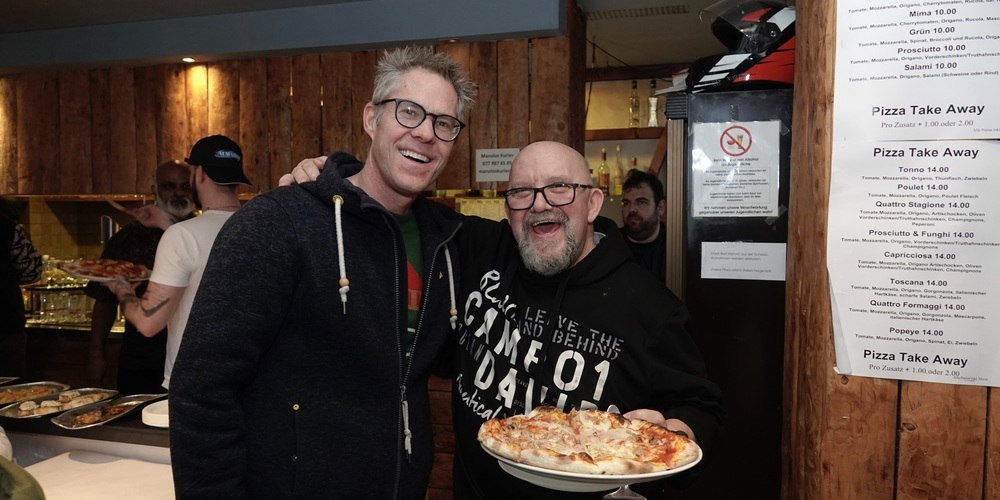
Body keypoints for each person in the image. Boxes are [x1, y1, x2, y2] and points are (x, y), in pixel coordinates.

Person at [284, 142, 726, 499]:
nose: (539, 205)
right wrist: (336, 176)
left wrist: (675, 431)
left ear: (593, 203)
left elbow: (701, 405)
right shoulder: (483, 248)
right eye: (521, 192)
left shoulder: (651, 306)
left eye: (559, 188)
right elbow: (390, 202)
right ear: (508, 206)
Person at [168, 46, 476, 499]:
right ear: (372, 119)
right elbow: (201, 388)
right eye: (409, 112)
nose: (426, 133)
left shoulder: (446, 239)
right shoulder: (279, 222)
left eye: (444, 123)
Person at [104, 135, 250, 391]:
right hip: (252, 379)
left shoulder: (182, 236)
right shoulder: (263, 229)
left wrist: (122, 289)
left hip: (197, 383)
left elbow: (148, 323)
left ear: (198, 173)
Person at [86, 160, 194, 394]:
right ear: (155, 190)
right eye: (169, 186)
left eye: (185, 186)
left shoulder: (203, 233)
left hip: (193, 358)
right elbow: (104, 300)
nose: (178, 193)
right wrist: (96, 353)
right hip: (141, 357)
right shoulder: (128, 237)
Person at [1, 197, 42, 378]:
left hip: (6, 327)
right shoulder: (7, 227)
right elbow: (31, 272)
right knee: (9, 389)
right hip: (5, 325)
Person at [620, 168, 667, 283]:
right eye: (626, 203)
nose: (631, 209)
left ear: (660, 208)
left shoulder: (674, 249)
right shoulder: (610, 245)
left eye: (641, 202)